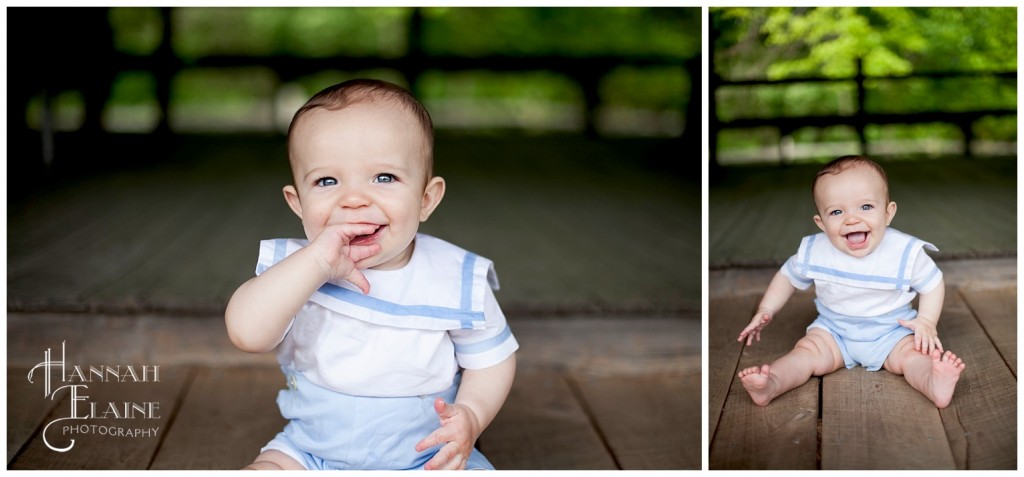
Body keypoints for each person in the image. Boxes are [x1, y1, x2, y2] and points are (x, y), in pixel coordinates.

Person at [225, 79, 518, 470]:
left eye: (384, 177)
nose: (354, 198)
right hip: (310, 453)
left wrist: (472, 414)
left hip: (428, 457)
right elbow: (247, 333)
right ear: (298, 202)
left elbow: (492, 359)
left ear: (426, 199)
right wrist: (315, 264)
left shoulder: (453, 279)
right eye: (326, 181)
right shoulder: (295, 269)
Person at [736, 155, 965, 409]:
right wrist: (766, 309)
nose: (852, 219)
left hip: (891, 332)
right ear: (821, 223)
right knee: (805, 353)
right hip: (833, 332)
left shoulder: (903, 252)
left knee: (912, 357)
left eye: (866, 207)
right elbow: (787, 277)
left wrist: (926, 321)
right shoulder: (816, 250)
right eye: (836, 211)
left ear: (888, 213)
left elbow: (932, 283)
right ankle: (771, 383)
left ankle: (934, 383)